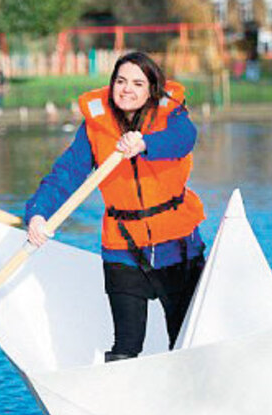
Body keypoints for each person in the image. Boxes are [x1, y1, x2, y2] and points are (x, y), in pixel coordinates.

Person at [25, 51, 206, 362]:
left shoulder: (172, 118)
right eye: (120, 81)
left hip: (177, 248)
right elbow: (66, 175)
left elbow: (184, 139)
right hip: (123, 249)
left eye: (138, 83)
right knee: (125, 348)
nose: (127, 89)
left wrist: (145, 143)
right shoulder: (95, 128)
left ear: (152, 89)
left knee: (185, 342)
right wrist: (38, 214)